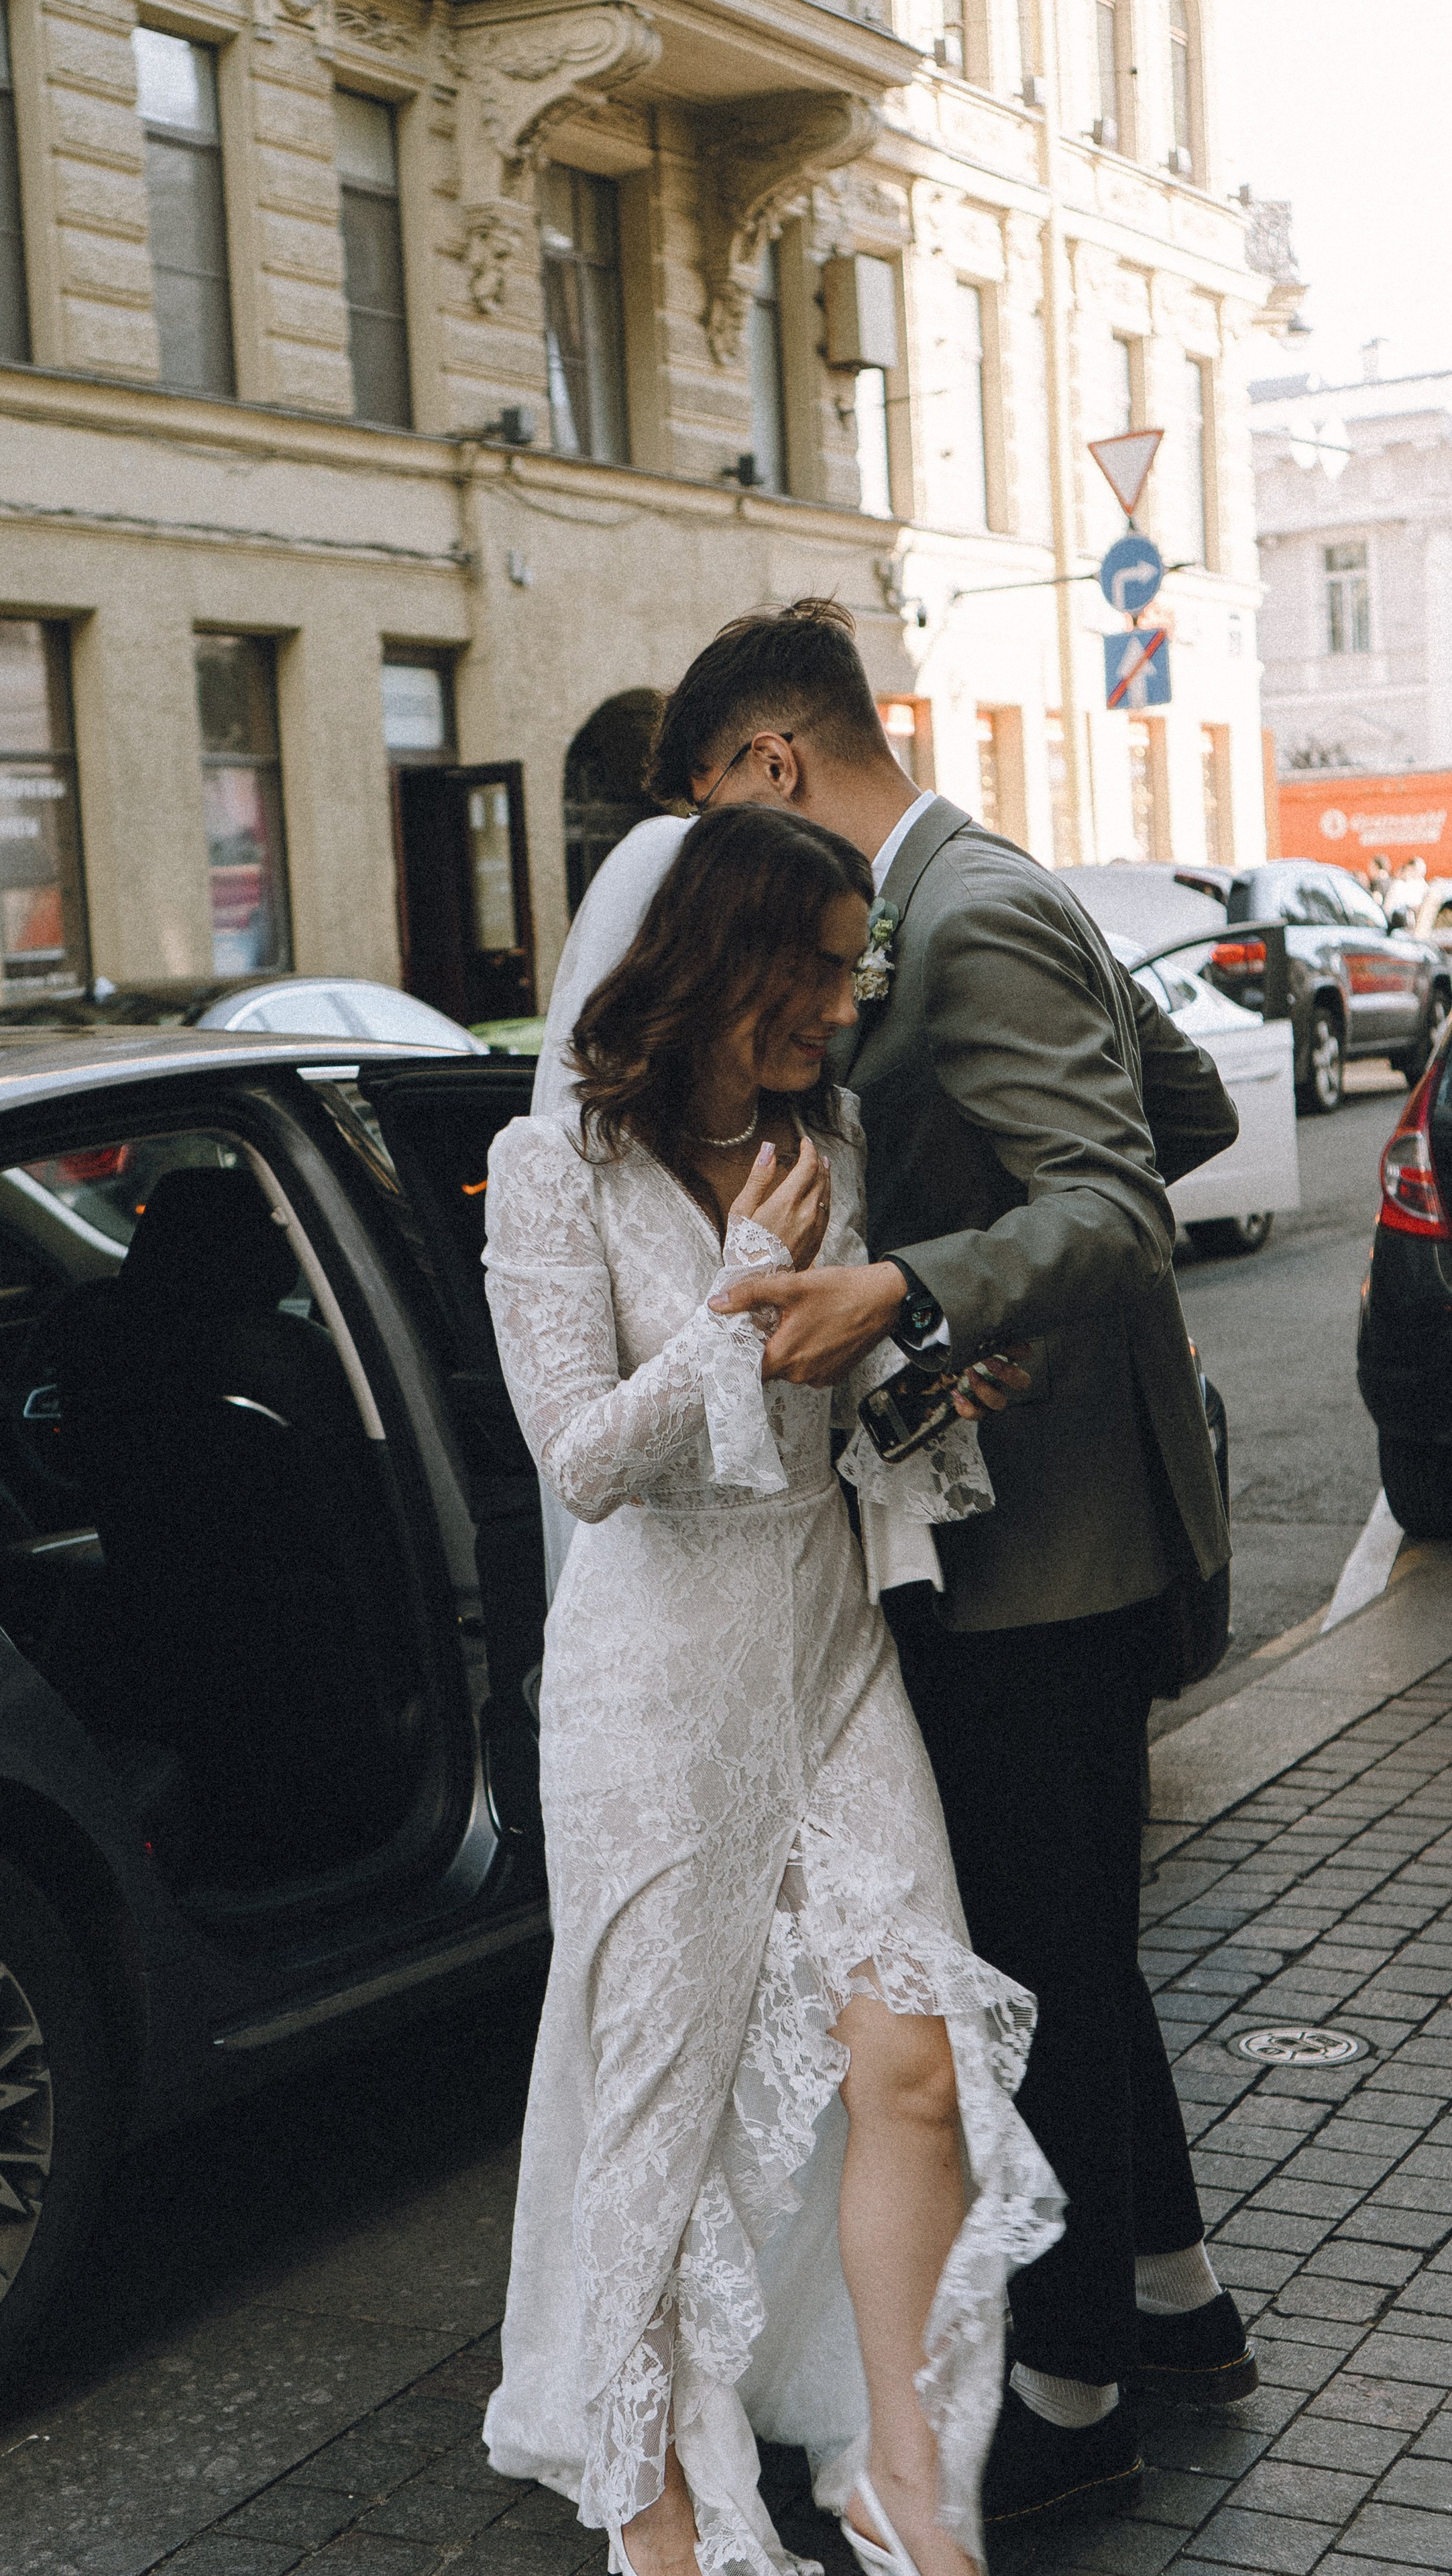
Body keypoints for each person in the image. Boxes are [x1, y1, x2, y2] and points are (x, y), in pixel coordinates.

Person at [534, 600, 1253, 2532]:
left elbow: (1112, 1184)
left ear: (768, 766)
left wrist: (925, 1277)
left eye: (709, 812)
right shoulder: (984, 905)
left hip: (1028, 1555)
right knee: (1061, 1943)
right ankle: (1168, 2308)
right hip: (881, 1547)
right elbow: (1162, 1110)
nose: (831, 994)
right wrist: (933, 1295)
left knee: (1036, 1966)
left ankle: (1067, 2397)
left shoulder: (972, 912)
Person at [483, 804, 1062, 2576]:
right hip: (657, 1690)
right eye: (819, 960)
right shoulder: (553, 1166)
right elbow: (580, 1461)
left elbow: (817, 1416)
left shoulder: (839, 1128)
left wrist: (929, 1386)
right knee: (658, 2101)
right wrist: (742, 1297)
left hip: (824, 1650)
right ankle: (651, 2497)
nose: (846, 992)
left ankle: (905, 2475)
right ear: (723, 958)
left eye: (851, 958)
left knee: (916, 2061)